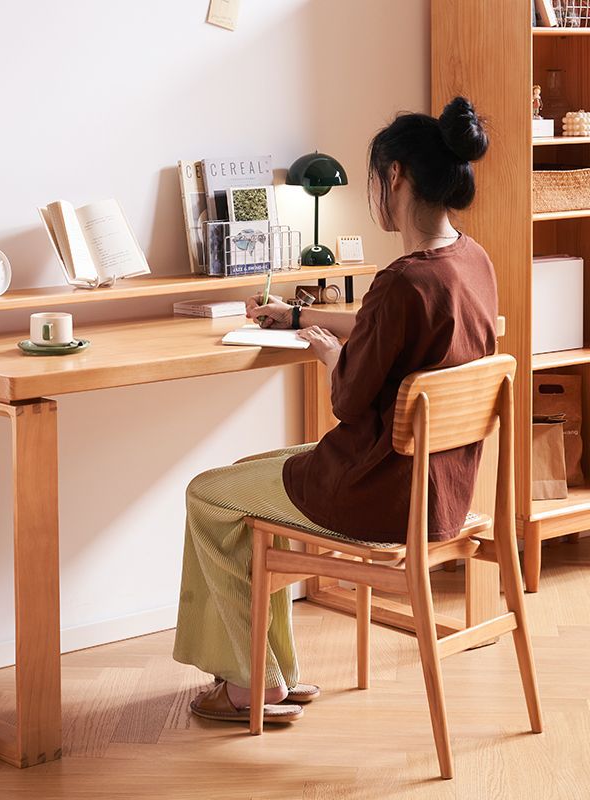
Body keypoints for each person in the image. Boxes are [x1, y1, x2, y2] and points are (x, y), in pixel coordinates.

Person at [173, 96, 498, 724]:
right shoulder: (470, 260)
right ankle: (271, 677)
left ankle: (249, 685)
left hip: (376, 491)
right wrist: (302, 316)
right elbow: (388, 330)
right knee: (244, 479)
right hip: (440, 489)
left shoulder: (402, 280)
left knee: (208, 496)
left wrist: (327, 353)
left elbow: (348, 400)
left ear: (395, 175)